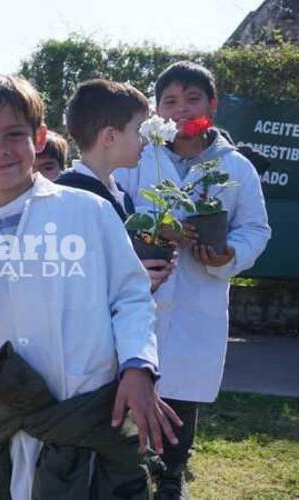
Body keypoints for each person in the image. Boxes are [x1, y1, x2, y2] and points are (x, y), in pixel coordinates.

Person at [0, 74, 180, 500]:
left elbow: (131, 297)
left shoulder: (87, 212)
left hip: (94, 416)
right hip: (20, 422)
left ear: (37, 137)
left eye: (14, 134)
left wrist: (137, 367)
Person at [114, 61, 271, 499]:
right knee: (133, 380)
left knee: (181, 389)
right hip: (140, 293)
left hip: (199, 293)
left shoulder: (235, 167)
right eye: (170, 102)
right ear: (157, 112)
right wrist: (147, 229)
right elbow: (111, 209)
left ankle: (172, 474)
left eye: (192, 99)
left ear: (212, 106)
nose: (181, 109)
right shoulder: (139, 156)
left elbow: (256, 228)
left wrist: (228, 253)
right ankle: (131, 468)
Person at [56, 79, 174, 292]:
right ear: (110, 136)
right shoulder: (70, 196)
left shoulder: (119, 194)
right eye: (138, 130)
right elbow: (68, 275)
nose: (145, 140)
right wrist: (132, 282)